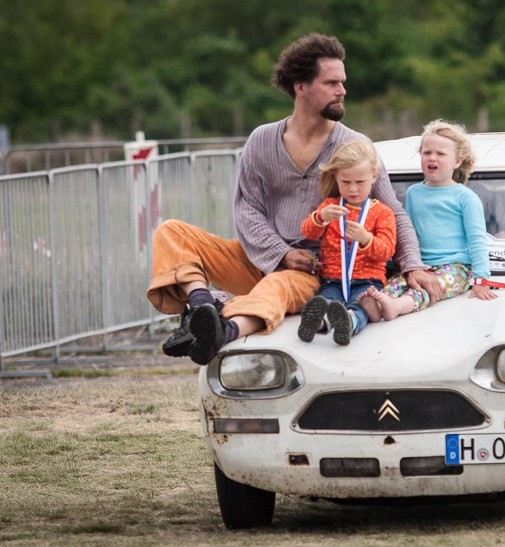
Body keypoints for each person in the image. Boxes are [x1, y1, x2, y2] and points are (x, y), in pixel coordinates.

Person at [147, 33, 440, 365]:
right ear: (301, 87)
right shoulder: (261, 140)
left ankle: (223, 330)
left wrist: (413, 265)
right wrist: (281, 252)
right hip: (259, 257)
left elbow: (394, 211)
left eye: (342, 82)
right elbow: (247, 209)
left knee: (276, 287)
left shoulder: (354, 147)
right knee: (172, 232)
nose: (342, 90)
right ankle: (201, 308)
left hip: (313, 271)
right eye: (331, 83)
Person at [359, 119, 497, 321]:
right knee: (395, 285)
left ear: (457, 161)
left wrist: (481, 279)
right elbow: (408, 232)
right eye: (427, 153)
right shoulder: (414, 192)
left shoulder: (465, 197)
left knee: (430, 289)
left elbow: (477, 240)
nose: (432, 158)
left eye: (441, 154)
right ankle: (373, 305)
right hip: (419, 265)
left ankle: (396, 307)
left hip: (456, 267)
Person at [296, 138, 395, 346]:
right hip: (332, 279)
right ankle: (317, 323)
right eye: (345, 182)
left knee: (360, 306)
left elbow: (387, 251)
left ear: (374, 177)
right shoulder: (330, 206)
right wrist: (320, 217)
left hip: (368, 282)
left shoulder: (382, 212)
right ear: (336, 178)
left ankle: (349, 323)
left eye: (360, 182)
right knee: (326, 300)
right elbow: (308, 233)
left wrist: (366, 239)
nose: (352, 189)